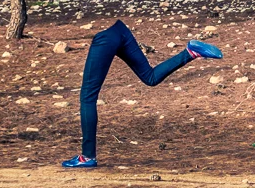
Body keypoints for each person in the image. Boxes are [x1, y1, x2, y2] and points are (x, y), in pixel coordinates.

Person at [61, 20, 223, 168]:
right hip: (119, 29)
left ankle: (87, 156)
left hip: (104, 39)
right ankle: (190, 52)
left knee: (88, 97)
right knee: (150, 77)